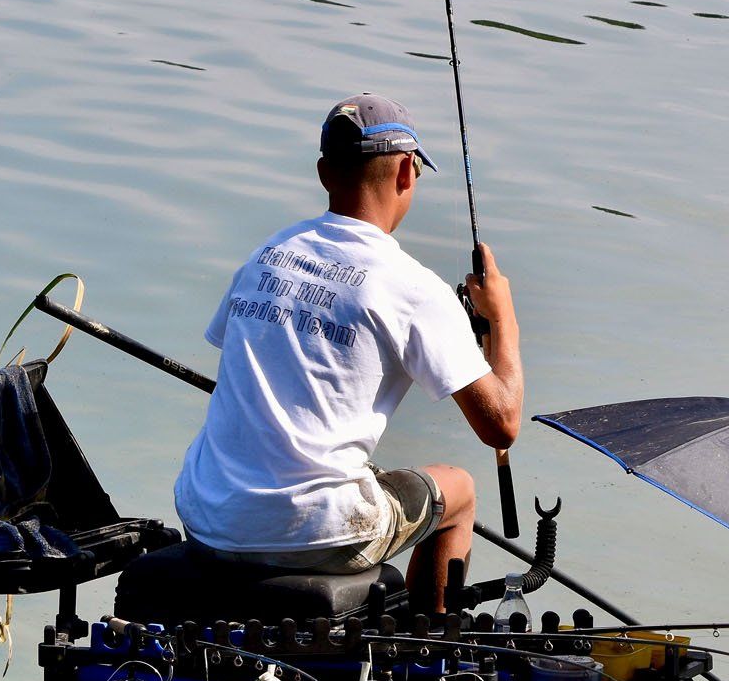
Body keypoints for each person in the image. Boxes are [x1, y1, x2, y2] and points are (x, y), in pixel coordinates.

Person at [173, 92, 521, 613]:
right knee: (460, 491)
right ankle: (427, 649)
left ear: (323, 172)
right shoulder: (411, 287)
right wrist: (503, 318)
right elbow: (501, 425)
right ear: (407, 172)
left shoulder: (266, 257)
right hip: (318, 530)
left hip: (207, 515)